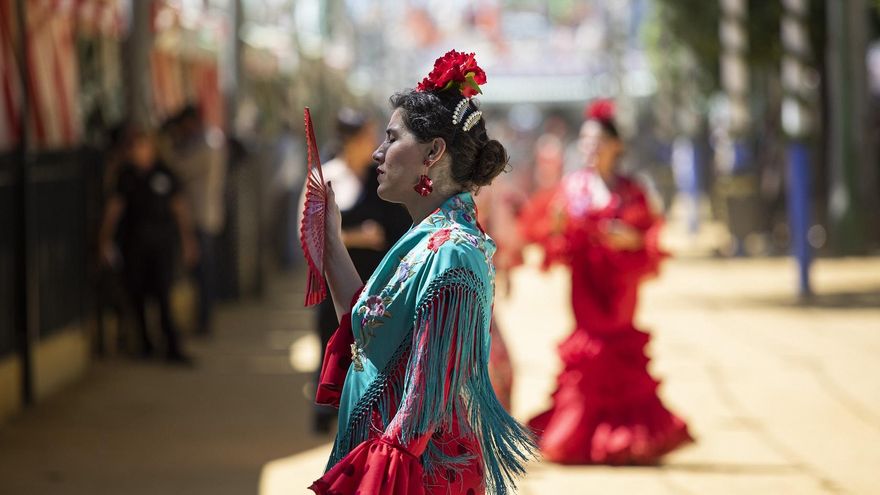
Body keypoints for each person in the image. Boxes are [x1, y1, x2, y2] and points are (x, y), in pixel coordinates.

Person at [308, 50, 536, 495]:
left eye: (391, 139)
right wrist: (331, 240)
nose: (377, 152)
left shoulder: (452, 250)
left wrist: (376, 478)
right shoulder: (428, 239)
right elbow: (367, 331)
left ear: (433, 152)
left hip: (414, 477)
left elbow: (419, 409)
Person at [524, 100, 693, 464]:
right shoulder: (572, 188)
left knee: (619, 349)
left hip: (619, 285)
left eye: (597, 140)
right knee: (589, 351)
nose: (590, 147)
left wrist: (626, 238)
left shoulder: (632, 189)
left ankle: (625, 437)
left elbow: (648, 237)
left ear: (616, 145)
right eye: (585, 140)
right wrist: (558, 228)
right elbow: (551, 240)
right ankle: (582, 436)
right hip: (585, 283)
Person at [308, 108, 411, 433]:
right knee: (332, 341)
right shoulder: (326, 176)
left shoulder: (379, 174)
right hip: (335, 278)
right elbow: (310, 232)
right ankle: (326, 409)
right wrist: (355, 237)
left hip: (376, 281)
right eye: (368, 134)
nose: (375, 141)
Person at [99, 128, 199, 365]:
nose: (138, 152)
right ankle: (145, 344)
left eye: (142, 146)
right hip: (134, 245)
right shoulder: (126, 176)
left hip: (162, 244)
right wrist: (104, 239)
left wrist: (188, 240)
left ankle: (172, 346)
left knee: (163, 295)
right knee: (137, 294)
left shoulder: (165, 174)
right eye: (134, 147)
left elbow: (179, 209)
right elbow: (114, 209)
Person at [167, 104, 227, 336]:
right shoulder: (211, 139)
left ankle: (204, 321)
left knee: (202, 272)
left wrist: (166, 149)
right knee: (204, 271)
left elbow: (180, 168)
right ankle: (204, 319)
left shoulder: (204, 143)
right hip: (208, 214)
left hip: (200, 216)